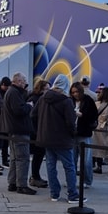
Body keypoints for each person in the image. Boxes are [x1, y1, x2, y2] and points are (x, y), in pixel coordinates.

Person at [31, 74, 79, 203]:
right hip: (62, 139)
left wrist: (41, 128)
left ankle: (54, 194)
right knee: (69, 166)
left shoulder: (42, 98)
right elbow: (70, 122)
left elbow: (33, 114)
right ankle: (72, 195)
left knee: (50, 166)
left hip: (46, 137)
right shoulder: (66, 101)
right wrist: (73, 133)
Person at [0, 72, 36, 195]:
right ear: (18, 81)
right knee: (22, 158)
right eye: (24, 80)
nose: (25, 83)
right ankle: (21, 185)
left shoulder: (12, 92)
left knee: (15, 158)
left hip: (14, 129)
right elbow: (19, 110)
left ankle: (13, 182)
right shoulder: (14, 93)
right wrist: (29, 106)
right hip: (19, 129)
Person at [70, 80, 98, 187]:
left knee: (86, 160)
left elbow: (94, 115)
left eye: (77, 92)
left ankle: (87, 181)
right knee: (72, 160)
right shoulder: (70, 101)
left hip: (84, 133)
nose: (75, 94)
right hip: (72, 133)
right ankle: (71, 180)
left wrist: (82, 115)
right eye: (73, 92)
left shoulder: (88, 100)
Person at [26, 78, 49, 188]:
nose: (48, 91)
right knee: (38, 154)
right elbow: (33, 115)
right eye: (46, 89)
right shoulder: (37, 99)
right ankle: (35, 176)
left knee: (38, 155)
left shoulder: (34, 98)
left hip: (37, 130)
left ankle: (36, 176)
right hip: (37, 131)